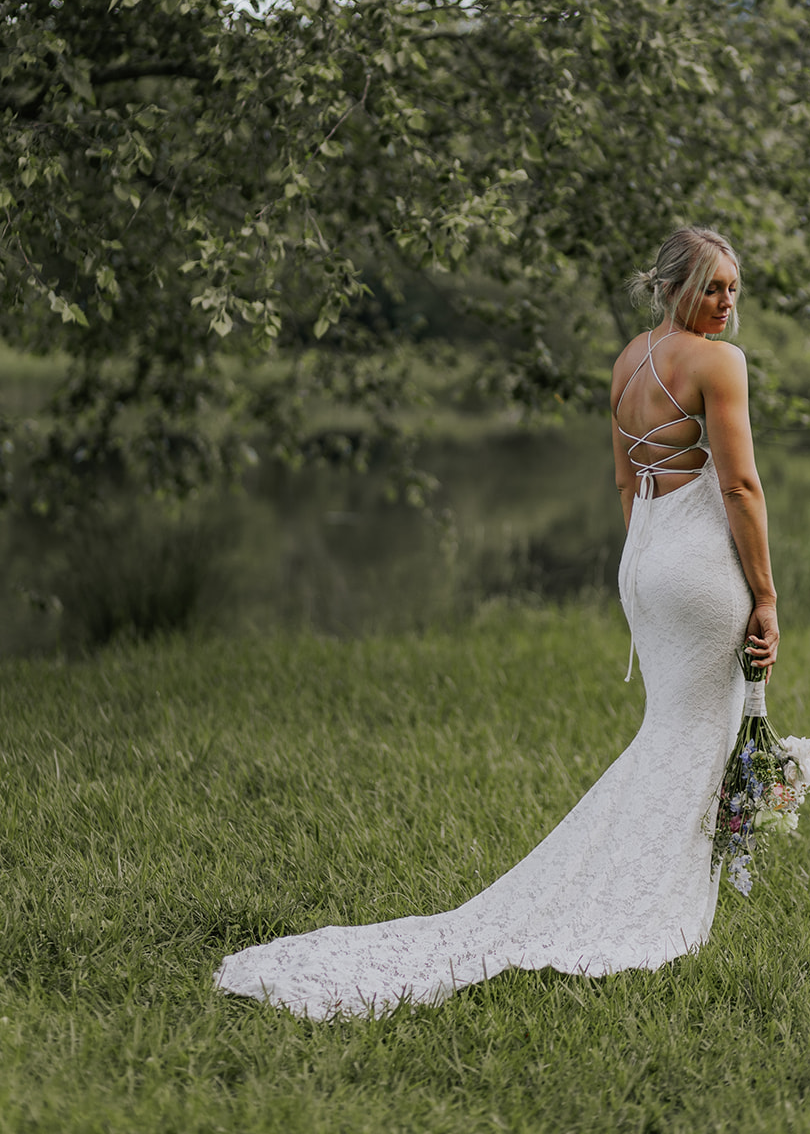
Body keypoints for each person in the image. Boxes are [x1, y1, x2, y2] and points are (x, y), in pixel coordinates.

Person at [214, 226, 779, 1019]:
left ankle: (633, 888)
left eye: (733, 290)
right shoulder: (719, 364)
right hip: (697, 572)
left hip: (646, 567)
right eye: (712, 287)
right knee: (693, 735)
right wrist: (765, 594)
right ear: (672, 285)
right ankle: (640, 909)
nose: (725, 304)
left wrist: (645, 566)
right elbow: (742, 488)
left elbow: (625, 483)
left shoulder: (627, 361)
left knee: (675, 733)